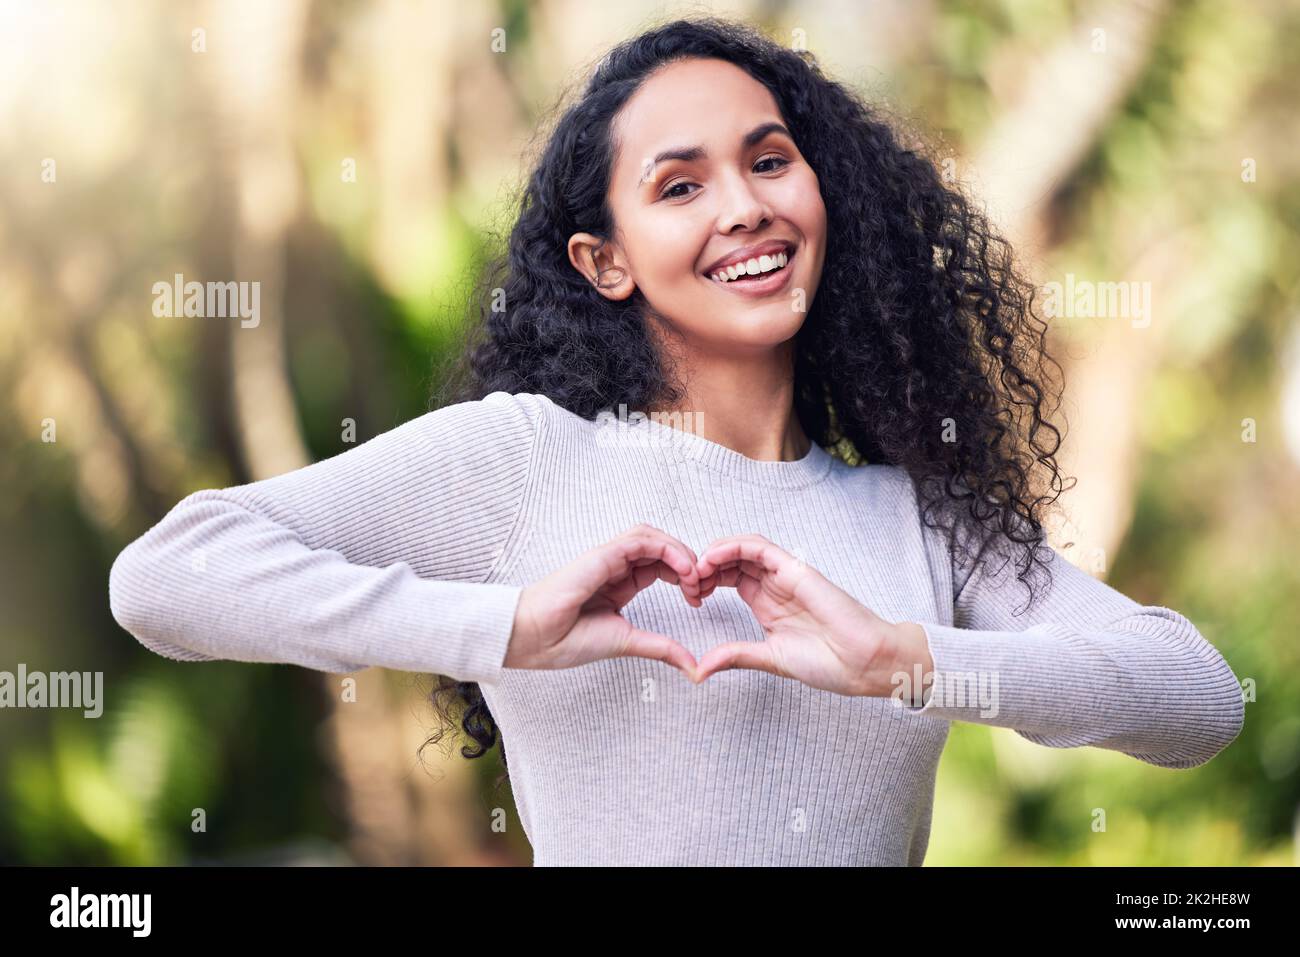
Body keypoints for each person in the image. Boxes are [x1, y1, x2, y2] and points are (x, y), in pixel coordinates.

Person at [108, 17, 1244, 866]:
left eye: (767, 161)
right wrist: (499, 629)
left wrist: (902, 663)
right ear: (605, 261)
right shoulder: (524, 461)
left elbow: (1197, 699)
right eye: (678, 185)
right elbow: (169, 574)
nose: (742, 207)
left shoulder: (913, 515)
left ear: (820, 190)